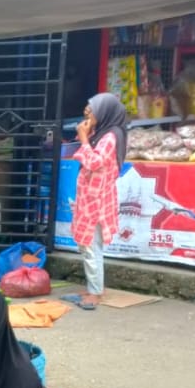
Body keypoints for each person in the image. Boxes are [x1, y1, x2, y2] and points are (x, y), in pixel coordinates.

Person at [71, 93, 127, 310]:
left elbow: (94, 162)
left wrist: (84, 139)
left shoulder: (110, 137)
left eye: (91, 109)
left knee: (91, 246)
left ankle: (95, 291)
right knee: (89, 245)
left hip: (97, 200)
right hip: (92, 198)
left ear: (104, 113)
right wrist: (85, 135)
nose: (87, 112)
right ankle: (93, 287)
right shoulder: (104, 133)